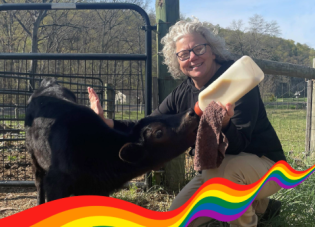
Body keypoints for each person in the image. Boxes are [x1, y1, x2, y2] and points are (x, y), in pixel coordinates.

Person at [88, 19, 286, 227]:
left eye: (198, 48)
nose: (192, 57)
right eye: (184, 54)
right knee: (178, 219)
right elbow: (147, 126)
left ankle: (247, 218)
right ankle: (262, 206)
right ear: (177, 62)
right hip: (214, 171)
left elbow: (238, 146)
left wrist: (225, 123)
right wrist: (106, 123)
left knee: (225, 176)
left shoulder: (237, 79)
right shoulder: (182, 93)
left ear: (213, 50)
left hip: (265, 166)